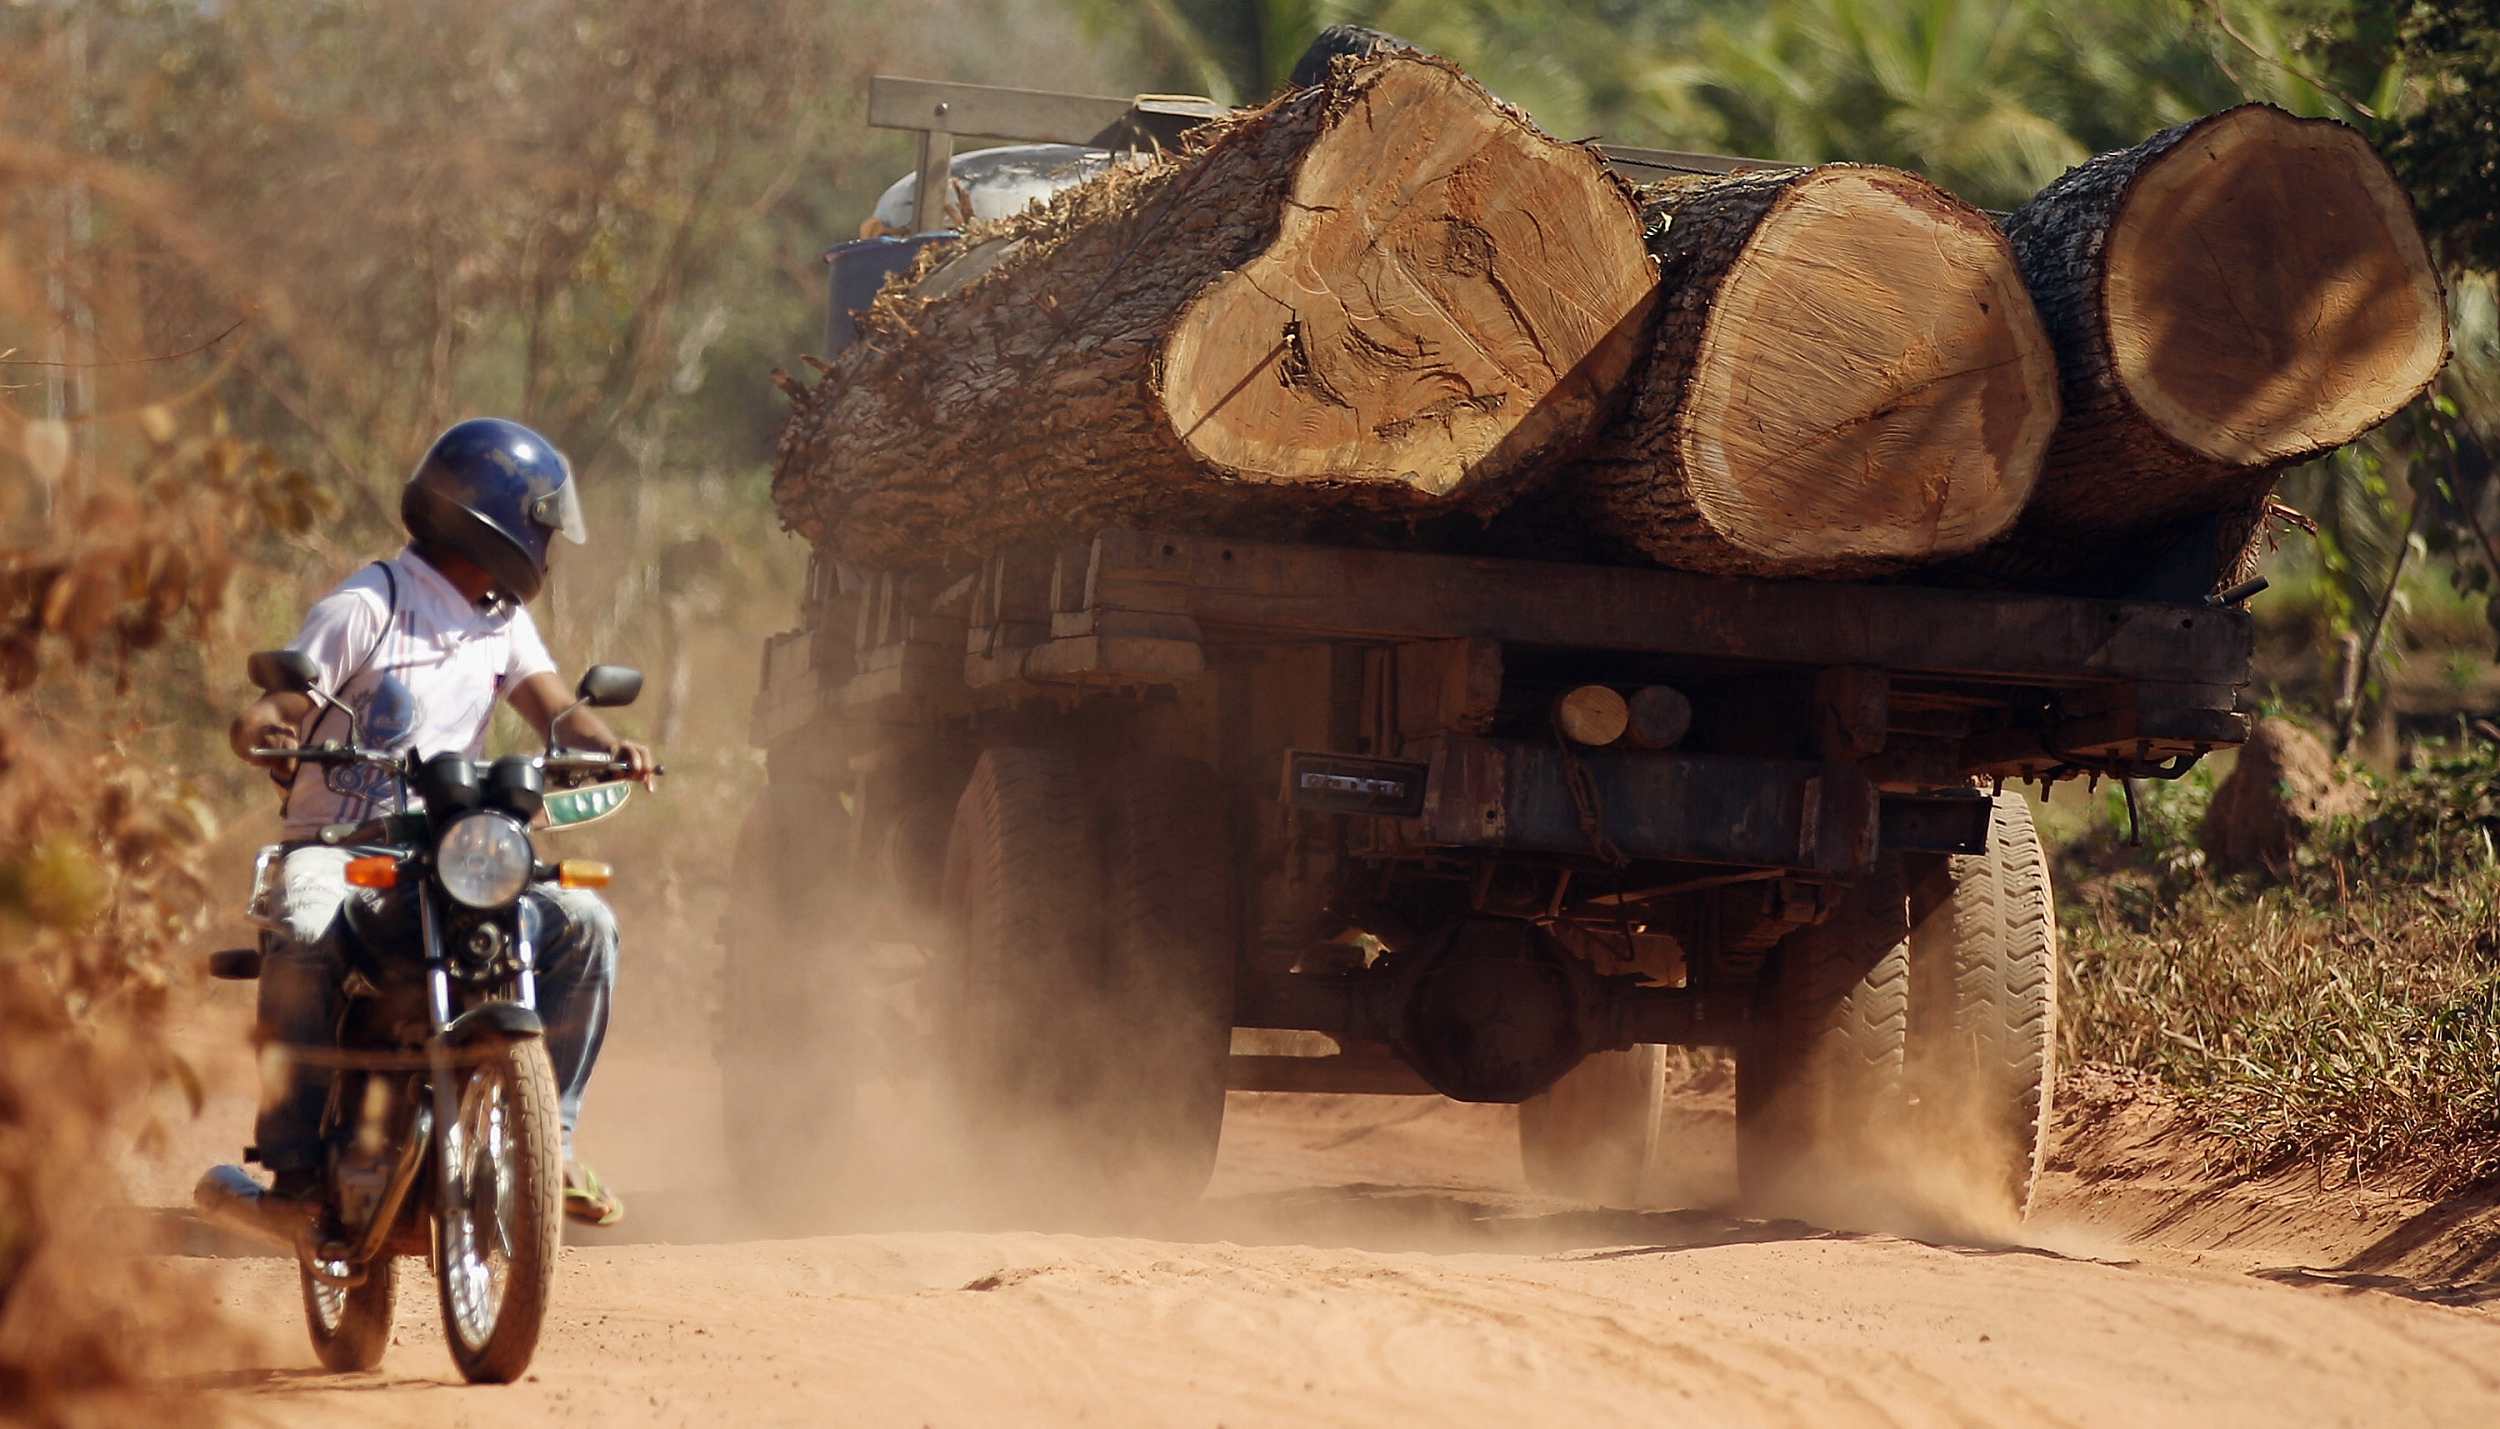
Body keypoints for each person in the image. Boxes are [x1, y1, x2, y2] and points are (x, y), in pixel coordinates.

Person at [227, 417, 655, 1227]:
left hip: (455, 849)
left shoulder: (501, 620)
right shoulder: (368, 605)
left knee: (587, 925)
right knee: (304, 928)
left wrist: (612, 747)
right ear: (496, 522)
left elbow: (557, 710)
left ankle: (553, 1143)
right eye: (539, 528)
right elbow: (273, 709)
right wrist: (270, 733)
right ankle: (292, 1163)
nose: (545, 549)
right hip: (343, 847)